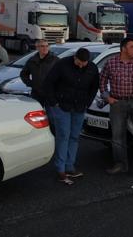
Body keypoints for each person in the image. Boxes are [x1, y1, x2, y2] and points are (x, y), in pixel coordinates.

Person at [42, 48, 99, 185]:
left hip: (79, 107)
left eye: (84, 63)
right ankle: (60, 169)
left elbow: (94, 87)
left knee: (74, 136)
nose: (81, 65)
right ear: (75, 57)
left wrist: (87, 103)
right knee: (63, 135)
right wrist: (53, 102)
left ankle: (70, 167)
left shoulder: (92, 68)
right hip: (61, 106)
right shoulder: (62, 64)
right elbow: (48, 83)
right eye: (79, 62)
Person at [100, 38, 133, 177]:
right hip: (117, 103)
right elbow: (102, 82)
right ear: (123, 48)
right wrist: (107, 97)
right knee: (118, 136)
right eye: (132, 47)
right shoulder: (111, 63)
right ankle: (120, 164)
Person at [20, 39, 57, 107]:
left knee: (52, 116)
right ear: (37, 48)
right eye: (42, 46)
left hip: (51, 94)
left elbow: (61, 75)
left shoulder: (55, 60)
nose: (45, 48)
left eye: (47, 46)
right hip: (36, 93)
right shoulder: (32, 60)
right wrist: (31, 84)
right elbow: (23, 74)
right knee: (36, 114)